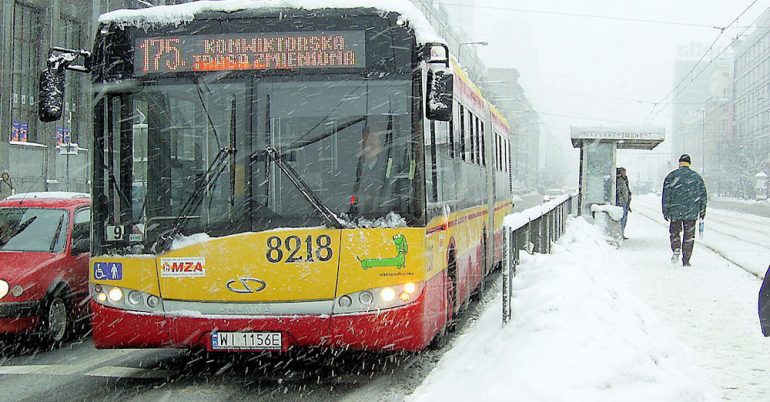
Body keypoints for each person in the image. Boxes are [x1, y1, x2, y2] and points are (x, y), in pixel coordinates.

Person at [662, 154, 707, 266]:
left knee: (675, 232)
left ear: (679, 163)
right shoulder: (696, 177)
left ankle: (676, 247)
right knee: (689, 236)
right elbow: (703, 196)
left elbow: (666, 194)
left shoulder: (672, 176)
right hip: (691, 212)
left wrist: (665, 209)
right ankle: (686, 260)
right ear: (689, 163)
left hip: (675, 210)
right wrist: (702, 211)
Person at [615, 167, 631, 239]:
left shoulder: (625, 180)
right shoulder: (619, 180)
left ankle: (622, 233)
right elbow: (619, 191)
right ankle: (620, 233)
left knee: (624, 219)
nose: (625, 173)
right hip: (622, 202)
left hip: (625, 201)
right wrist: (621, 200)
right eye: (623, 172)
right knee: (622, 218)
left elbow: (627, 190)